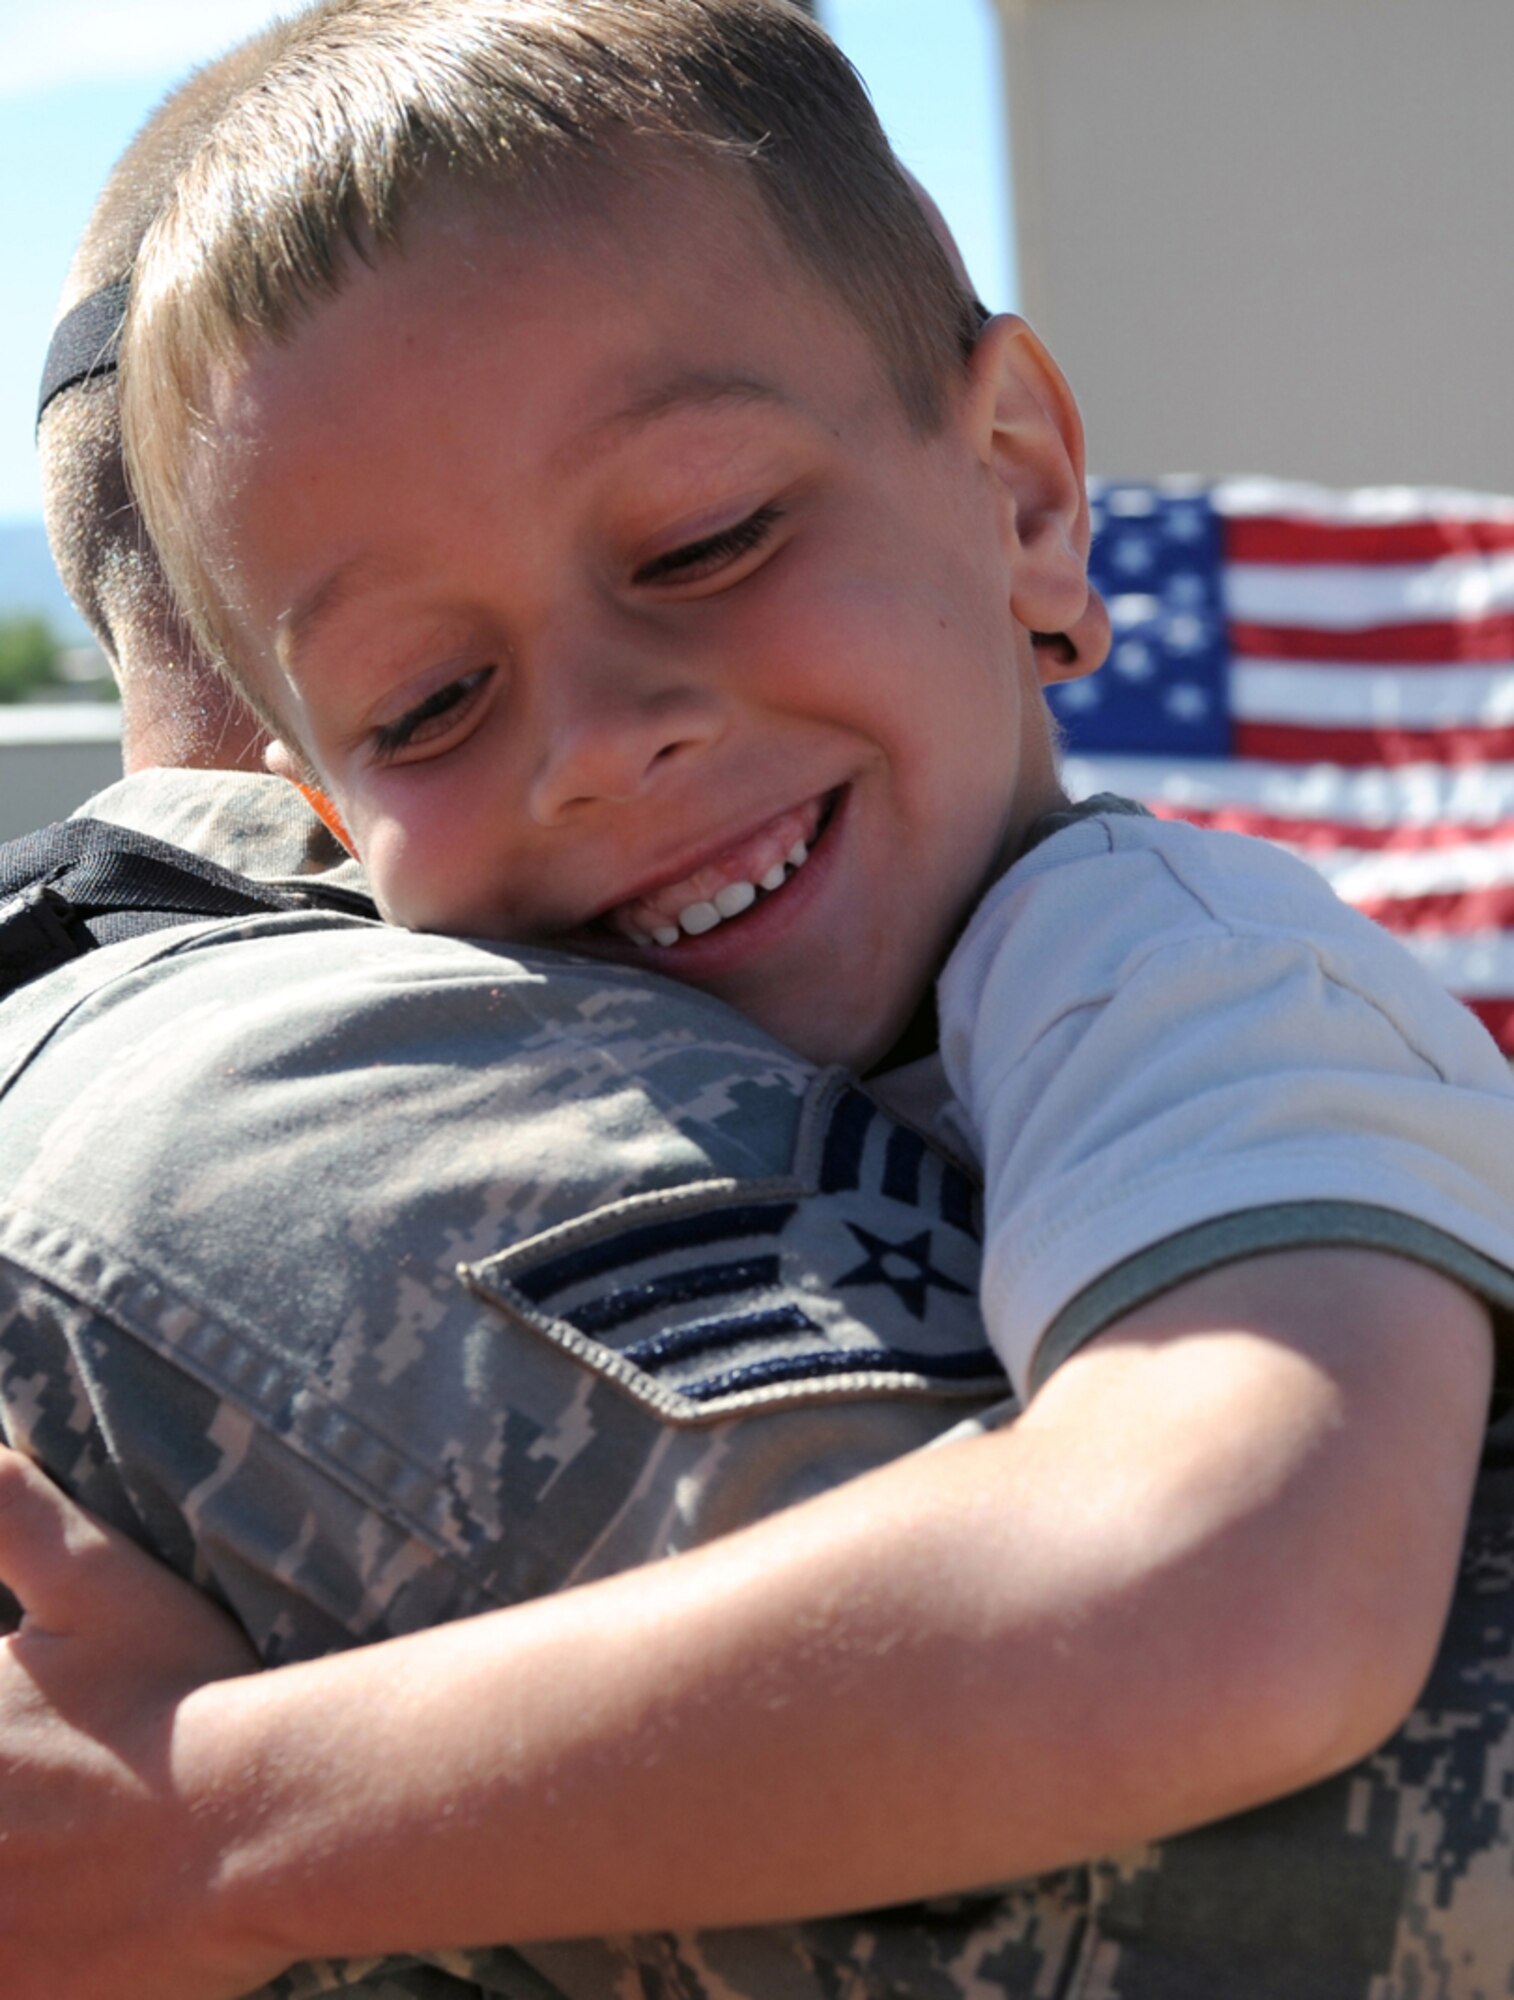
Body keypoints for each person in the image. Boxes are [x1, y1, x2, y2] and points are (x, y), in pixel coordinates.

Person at [4, 1, 1514, 1994]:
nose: (597, 742)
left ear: (1026, 497)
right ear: (317, 809)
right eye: (430, 703)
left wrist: (215, 1829)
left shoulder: (1185, 973)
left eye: (707, 540)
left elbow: (1238, 1593)